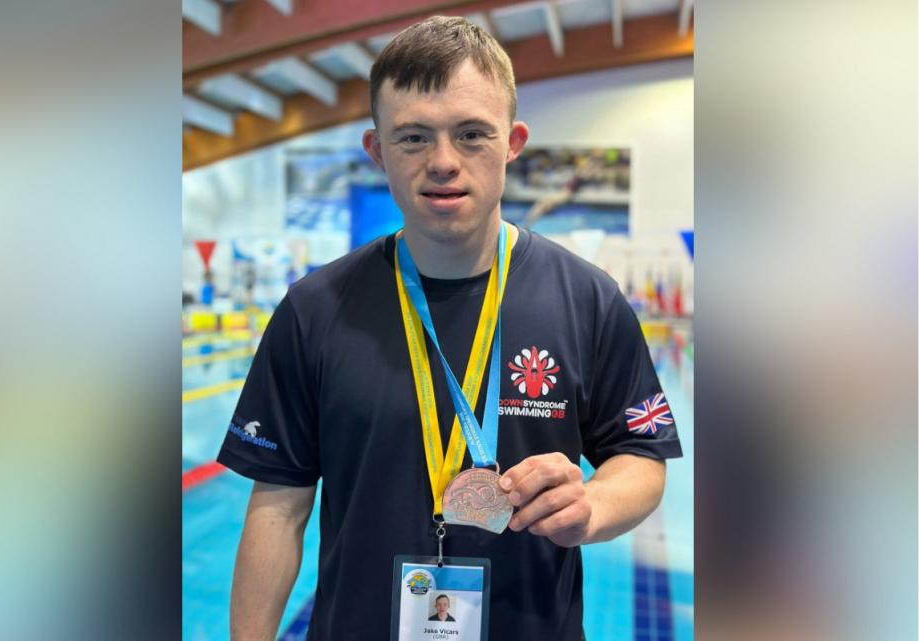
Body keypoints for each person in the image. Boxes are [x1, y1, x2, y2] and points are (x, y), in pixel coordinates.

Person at [217, 16, 682, 641]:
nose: (443, 162)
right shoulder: (314, 309)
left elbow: (641, 456)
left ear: (512, 142)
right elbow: (278, 509)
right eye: (413, 137)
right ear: (377, 150)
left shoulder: (587, 299)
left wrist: (593, 506)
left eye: (471, 134)